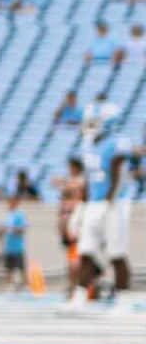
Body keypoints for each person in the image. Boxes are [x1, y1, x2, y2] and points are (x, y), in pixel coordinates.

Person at [70, 102, 133, 307]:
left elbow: (119, 174)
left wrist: (109, 201)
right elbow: (89, 179)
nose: (90, 125)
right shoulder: (89, 145)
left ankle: (123, 299)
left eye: (95, 121)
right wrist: (81, 208)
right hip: (95, 203)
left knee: (116, 253)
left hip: (114, 203)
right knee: (86, 251)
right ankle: (79, 297)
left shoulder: (117, 143)